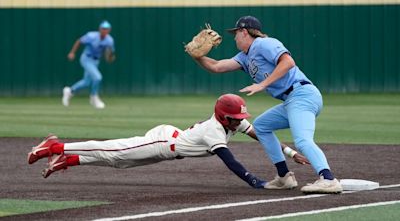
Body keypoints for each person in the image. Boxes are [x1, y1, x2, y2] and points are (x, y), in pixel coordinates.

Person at [189, 16, 342, 194]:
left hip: (302, 95)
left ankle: (328, 179)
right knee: (261, 126)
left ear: (244, 31)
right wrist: (196, 55)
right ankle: (284, 177)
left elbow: (288, 62)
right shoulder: (244, 57)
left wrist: (263, 84)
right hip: (291, 100)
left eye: (236, 33)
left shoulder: (264, 43)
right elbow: (216, 66)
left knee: (302, 140)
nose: (234, 37)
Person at [27, 94, 308, 189]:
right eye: (236, 117)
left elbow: (261, 135)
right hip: (161, 142)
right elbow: (230, 161)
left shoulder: (233, 123)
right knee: (112, 148)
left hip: (169, 147)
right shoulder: (214, 130)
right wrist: (254, 181)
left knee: (117, 162)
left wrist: (289, 152)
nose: (240, 120)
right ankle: (52, 147)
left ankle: (68, 160)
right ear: (224, 117)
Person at [63, 20, 116, 109]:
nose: (104, 30)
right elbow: (79, 41)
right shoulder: (92, 36)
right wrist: (72, 53)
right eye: (103, 28)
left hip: (96, 61)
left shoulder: (109, 40)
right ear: (100, 29)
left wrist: (110, 57)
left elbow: (109, 53)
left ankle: (69, 91)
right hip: (86, 58)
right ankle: (93, 97)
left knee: (86, 82)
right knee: (98, 77)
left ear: (109, 30)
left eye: (107, 29)